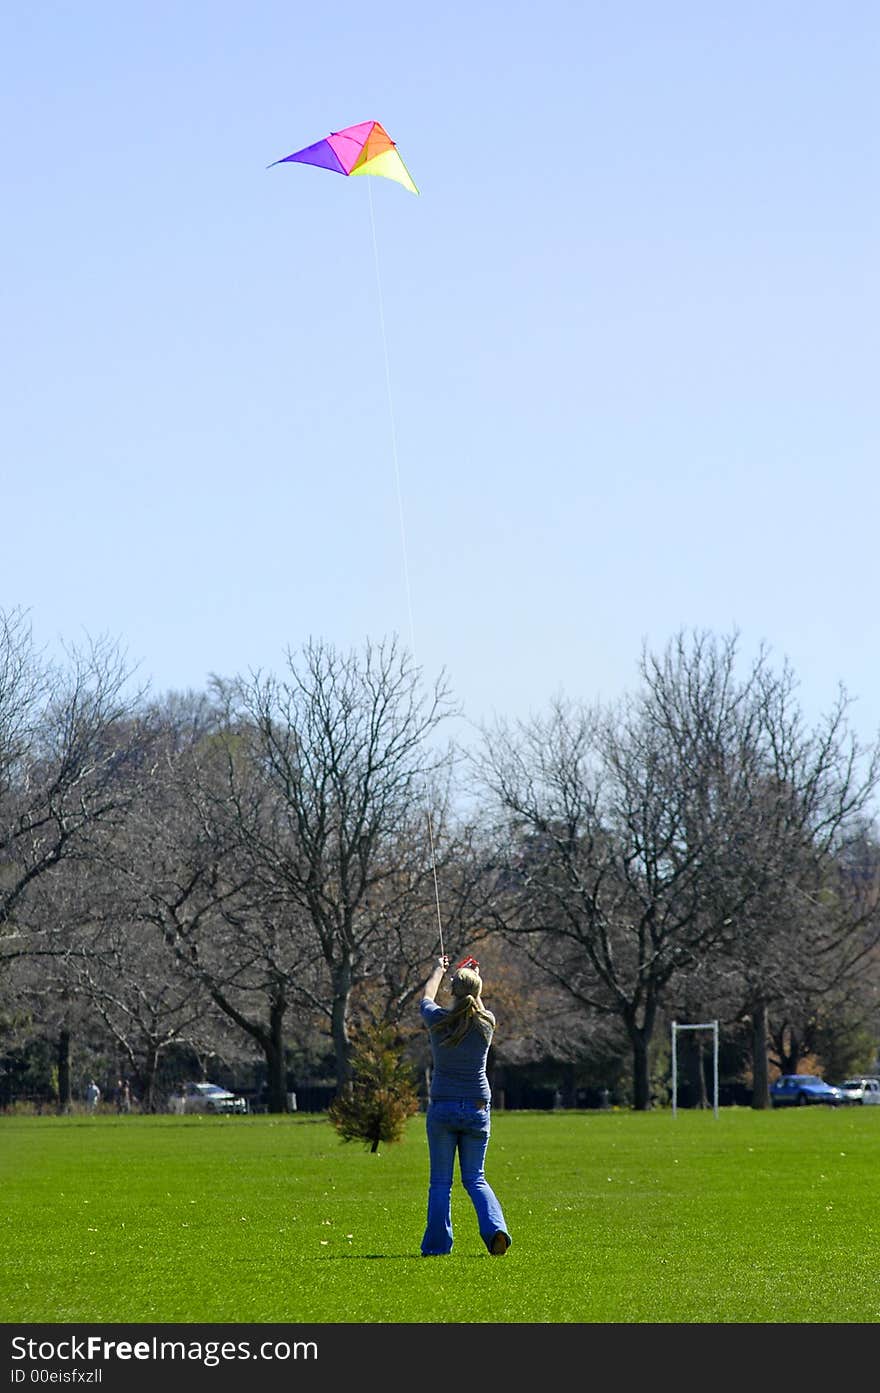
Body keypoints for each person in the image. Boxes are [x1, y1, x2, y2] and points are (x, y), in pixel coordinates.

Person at [418, 954, 511, 1257]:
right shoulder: (487, 1023)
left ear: (453, 991)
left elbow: (426, 997)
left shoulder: (436, 1020)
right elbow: (476, 1006)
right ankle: (495, 1229)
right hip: (476, 1107)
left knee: (440, 1183)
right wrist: (472, 979)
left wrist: (437, 971)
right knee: (475, 1178)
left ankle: (437, 1246)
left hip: (443, 1107)